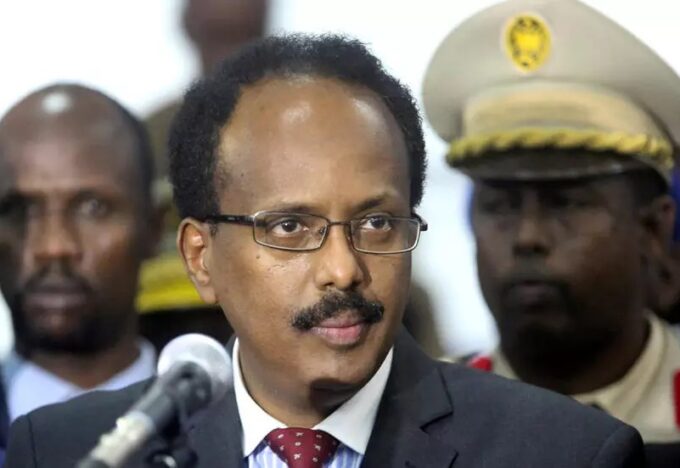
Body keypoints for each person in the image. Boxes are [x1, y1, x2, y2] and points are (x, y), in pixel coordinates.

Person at [6, 34, 643, 468]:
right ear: (200, 257)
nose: (344, 269)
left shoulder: (563, 452)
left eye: (376, 223)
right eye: (290, 227)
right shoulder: (71, 449)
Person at [422, 0, 680, 465]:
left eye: (567, 203)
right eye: (499, 205)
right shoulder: (412, 422)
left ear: (653, 229)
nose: (528, 236)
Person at [0, 84, 160, 421]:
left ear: (153, 228)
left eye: (92, 208)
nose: (53, 247)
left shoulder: (240, 431)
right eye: (18, 210)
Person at [137, 0, 269, 351]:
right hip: (164, 328)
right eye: (219, 38)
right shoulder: (145, 139)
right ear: (188, 24)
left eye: (240, 37)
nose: (228, 57)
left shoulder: (306, 132)